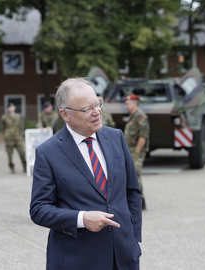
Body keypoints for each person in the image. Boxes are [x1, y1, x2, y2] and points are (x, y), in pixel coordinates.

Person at [29, 78, 142, 270]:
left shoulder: (116, 137)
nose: (97, 112)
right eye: (87, 109)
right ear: (65, 114)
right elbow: (39, 209)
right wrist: (81, 219)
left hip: (123, 257)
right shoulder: (48, 153)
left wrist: (133, 238)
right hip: (78, 260)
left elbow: (132, 191)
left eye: (97, 104)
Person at [124, 94, 149, 210]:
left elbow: (143, 136)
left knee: (135, 175)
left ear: (134, 104)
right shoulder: (133, 116)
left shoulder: (141, 116)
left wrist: (137, 152)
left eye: (127, 104)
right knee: (133, 175)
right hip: (131, 151)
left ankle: (139, 202)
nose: (126, 106)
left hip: (136, 151)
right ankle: (139, 201)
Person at [1, 103, 27, 173]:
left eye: (11, 107)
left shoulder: (18, 116)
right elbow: (3, 128)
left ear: (14, 107)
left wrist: (21, 136)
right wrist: (5, 136)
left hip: (17, 137)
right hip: (9, 138)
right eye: (9, 107)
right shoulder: (4, 117)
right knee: (9, 154)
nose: (10, 108)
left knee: (22, 152)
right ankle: (12, 167)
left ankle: (25, 166)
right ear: (7, 108)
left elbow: (21, 127)